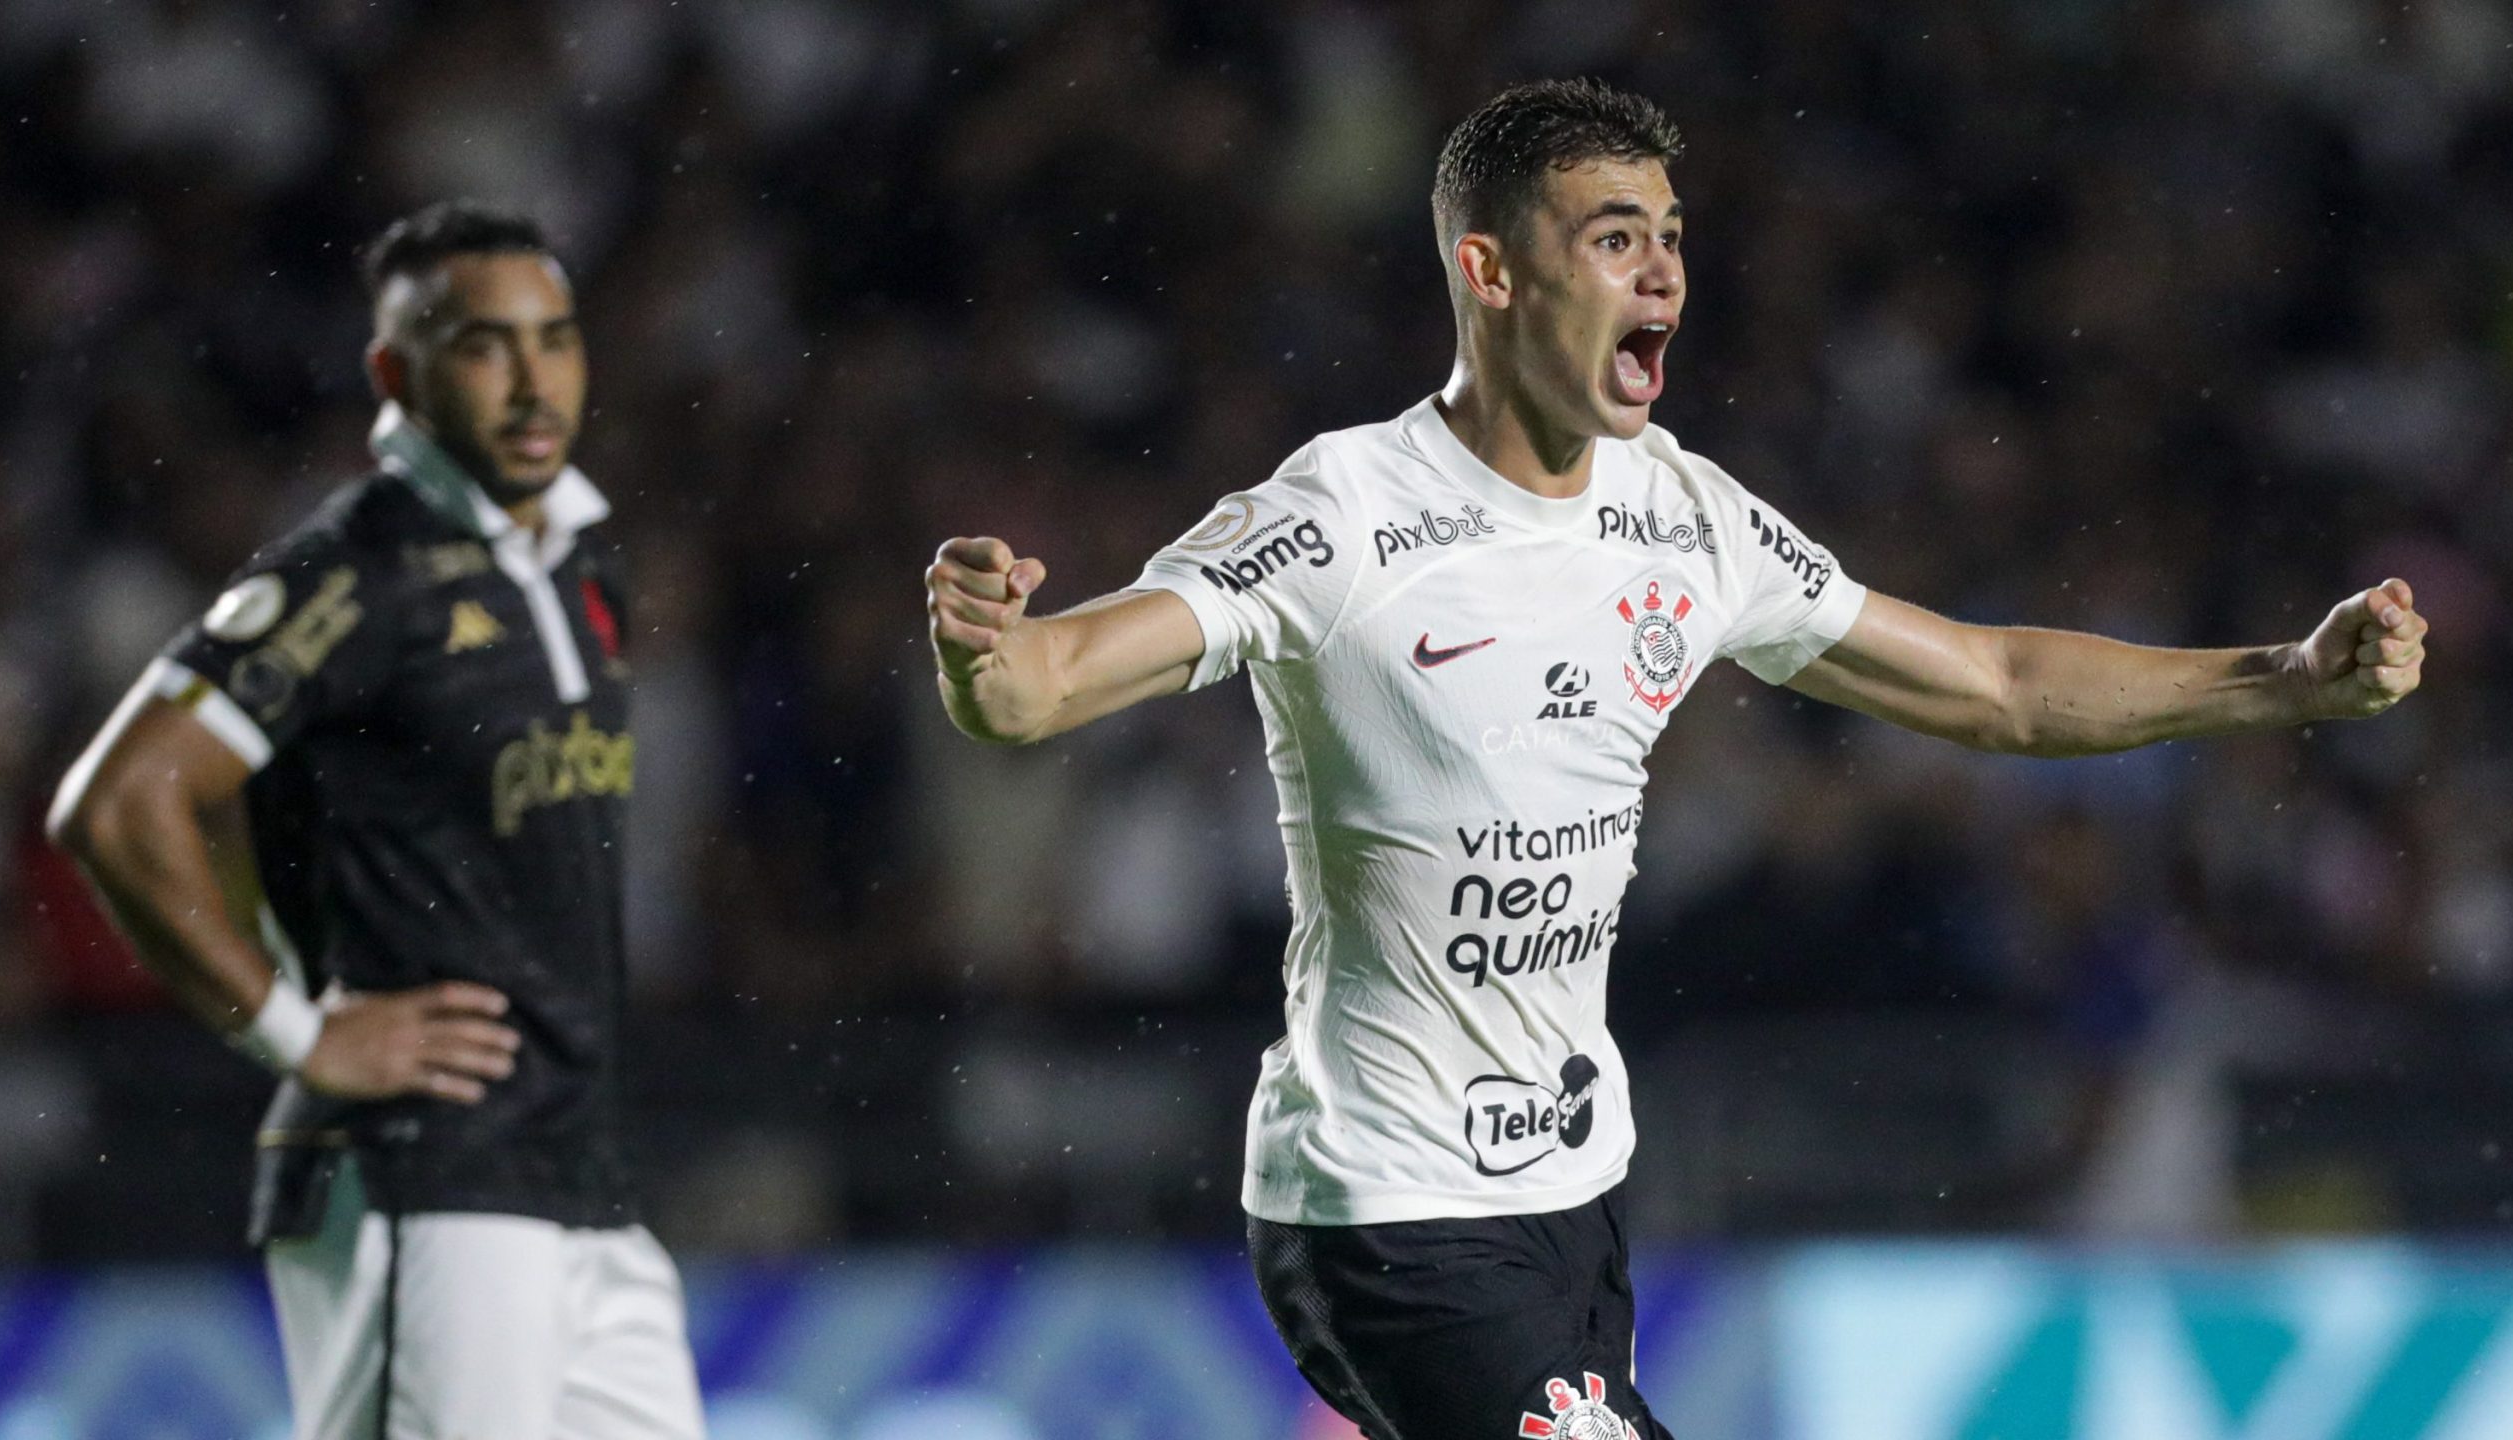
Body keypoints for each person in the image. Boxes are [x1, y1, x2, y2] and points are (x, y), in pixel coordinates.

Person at [924, 78, 2429, 1440]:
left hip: (1571, 1202)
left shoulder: (1683, 515)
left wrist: (2283, 678)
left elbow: (1996, 685)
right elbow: (1041, 692)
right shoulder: (1347, 515)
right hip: (1386, 1210)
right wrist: (989, 645)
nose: (1662, 276)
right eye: (1614, 237)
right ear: (1490, 271)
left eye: (1672, 238)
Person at [49, 201, 705, 1440]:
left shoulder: (580, 563)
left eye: (554, 339)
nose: (530, 380)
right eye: (481, 345)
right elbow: (122, 802)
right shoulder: (354, 570)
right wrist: (299, 1035)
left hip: (586, 1184)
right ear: (394, 374)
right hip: (428, 1176)